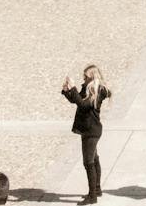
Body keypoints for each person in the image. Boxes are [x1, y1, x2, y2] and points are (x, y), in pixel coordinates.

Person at [61, 65, 110, 203]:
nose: (84, 78)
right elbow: (76, 100)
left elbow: (83, 105)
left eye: (86, 76)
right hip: (88, 129)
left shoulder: (98, 90)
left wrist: (74, 88)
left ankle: (92, 196)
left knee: (88, 163)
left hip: (91, 131)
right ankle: (97, 189)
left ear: (92, 76)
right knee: (94, 159)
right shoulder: (88, 88)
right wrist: (68, 91)